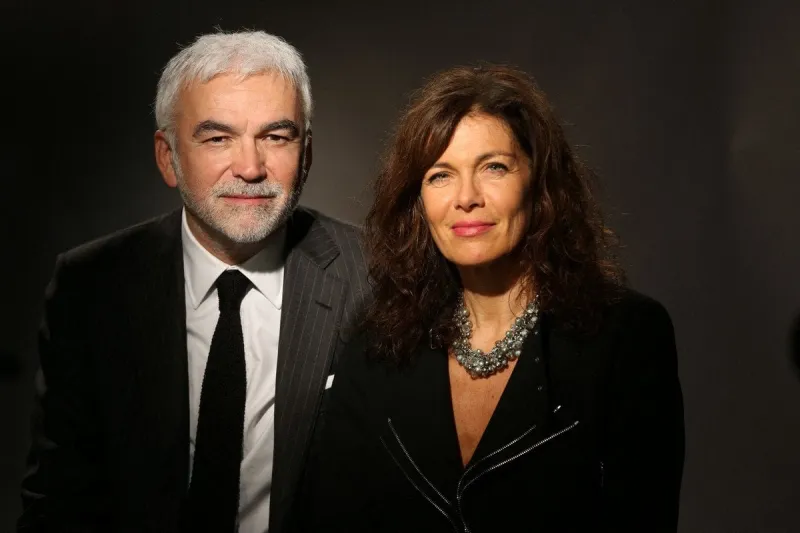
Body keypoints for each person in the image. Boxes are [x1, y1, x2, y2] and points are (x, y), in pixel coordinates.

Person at [298, 65, 685, 532]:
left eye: (493, 168)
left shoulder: (625, 335)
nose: (466, 197)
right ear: (418, 200)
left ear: (540, 186)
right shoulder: (377, 338)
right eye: (440, 175)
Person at [18, 31, 369, 533]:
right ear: (168, 158)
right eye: (217, 137)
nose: (250, 168)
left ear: (306, 154)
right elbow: (59, 502)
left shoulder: (375, 275)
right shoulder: (90, 287)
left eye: (276, 136)